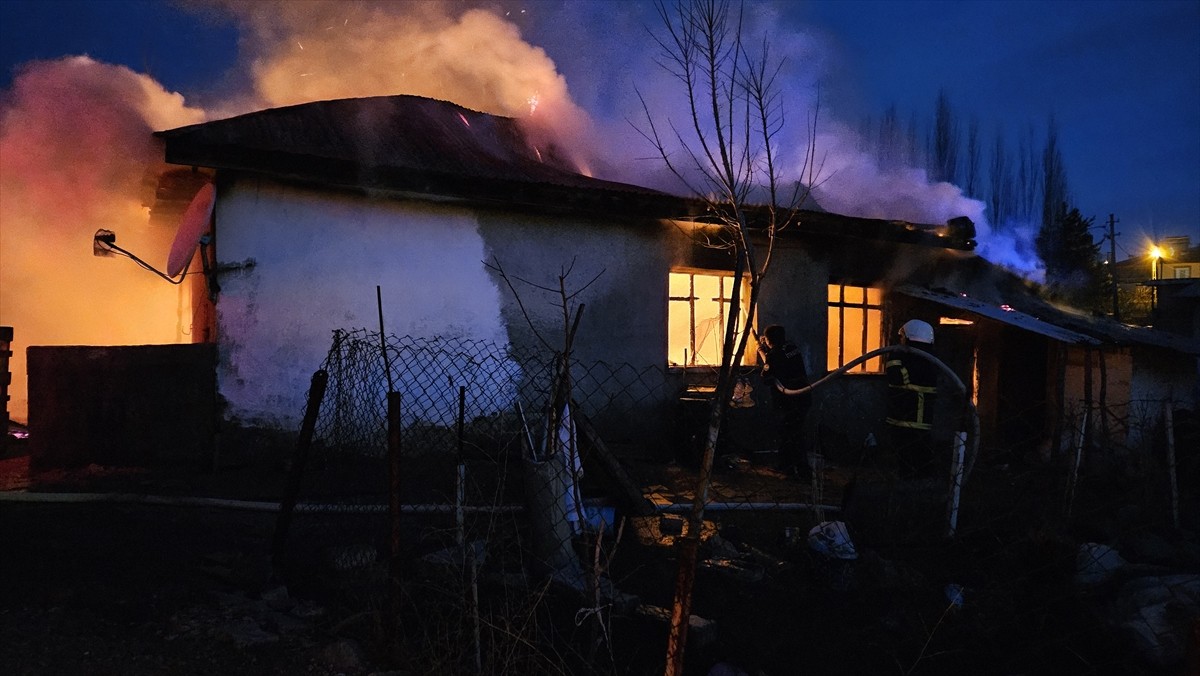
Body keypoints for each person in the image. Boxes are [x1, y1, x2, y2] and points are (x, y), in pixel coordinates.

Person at [885, 319, 939, 477]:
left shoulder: (918, 359)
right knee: (912, 454)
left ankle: (913, 483)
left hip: (912, 416)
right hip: (911, 416)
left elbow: (898, 377)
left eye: (902, 337)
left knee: (911, 454)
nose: (900, 341)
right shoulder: (927, 358)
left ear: (909, 337)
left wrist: (893, 357)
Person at [758, 324, 812, 479]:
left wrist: (767, 357)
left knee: (789, 434)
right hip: (804, 397)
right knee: (795, 432)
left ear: (769, 339)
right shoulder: (791, 347)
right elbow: (782, 362)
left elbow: (766, 377)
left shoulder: (774, 355)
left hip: (789, 400)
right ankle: (792, 467)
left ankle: (795, 469)